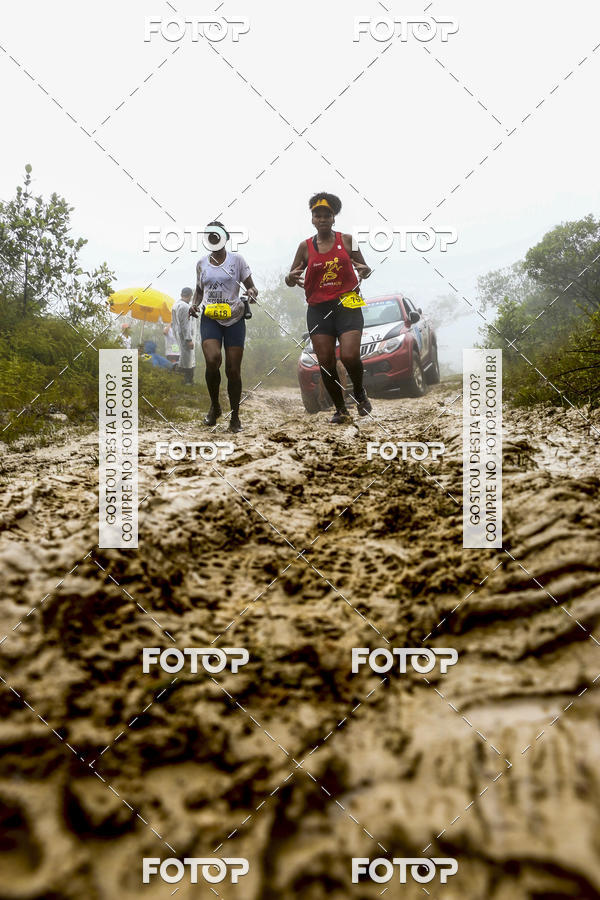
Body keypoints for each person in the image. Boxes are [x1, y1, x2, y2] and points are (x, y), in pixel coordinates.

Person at [286, 192, 373, 423]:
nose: (323, 219)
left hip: (348, 303)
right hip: (318, 308)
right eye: (318, 215)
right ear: (312, 219)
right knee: (325, 361)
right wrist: (290, 277)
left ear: (334, 218)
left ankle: (360, 393)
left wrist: (364, 270)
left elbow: (364, 267)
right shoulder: (304, 247)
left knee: (349, 355)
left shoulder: (347, 240)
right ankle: (340, 408)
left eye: (327, 215)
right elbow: (290, 277)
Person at [189, 222, 257, 433]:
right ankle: (215, 406)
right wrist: (194, 304)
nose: (213, 238)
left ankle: (235, 417)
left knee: (233, 370)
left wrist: (252, 293)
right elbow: (199, 290)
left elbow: (251, 286)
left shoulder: (237, 260)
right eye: (209, 235)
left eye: (217, 235)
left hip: (235, 317)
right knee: (212, 360)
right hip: (210, 317)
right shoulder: (201, 263)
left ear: (225, 237)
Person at [171, 287, 195, 384]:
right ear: (190, 295)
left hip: (177, 334)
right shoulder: (185, 307)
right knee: (187, 359)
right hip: (184, 336)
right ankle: (187, 381)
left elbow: (174, 322)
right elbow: (185, 325)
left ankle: (180, 380)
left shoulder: (175, 305)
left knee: (181, 357)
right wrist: (189, 339)